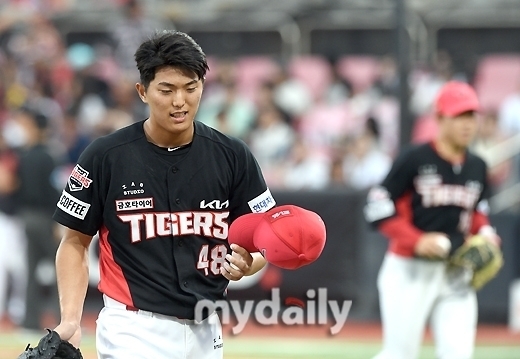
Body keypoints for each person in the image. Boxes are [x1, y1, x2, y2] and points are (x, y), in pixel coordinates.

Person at [51, 30, 276, 359]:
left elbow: (262, 243)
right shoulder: (105, 156)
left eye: (191, 88)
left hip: (206, 329)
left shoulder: (233, 156)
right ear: (143, 91)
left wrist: (249, 263)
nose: (180, 101)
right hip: (132, 328)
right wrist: (70, 319)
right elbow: (74, 242)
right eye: (166, 90)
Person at [364, 81, 501, 359]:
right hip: (409, 270)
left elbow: (477, 210)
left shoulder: (478, 165)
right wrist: (417, 240)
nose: (467, 123)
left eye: (471, 115)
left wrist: (487, 233)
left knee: (458, 354)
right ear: (439, 118)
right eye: (459, 115)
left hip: (456, 270)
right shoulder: (414, 158)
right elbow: (376, 206)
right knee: (400, 354)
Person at [14, 106, 61, 331]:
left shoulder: (24, 156)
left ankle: (30, 321)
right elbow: (53, 191)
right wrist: (57, 222)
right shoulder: (48, 156)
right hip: (45, 218)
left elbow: (17, 188)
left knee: (31, 271)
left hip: (26, 217)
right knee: (60, 268)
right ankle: (62, 320)